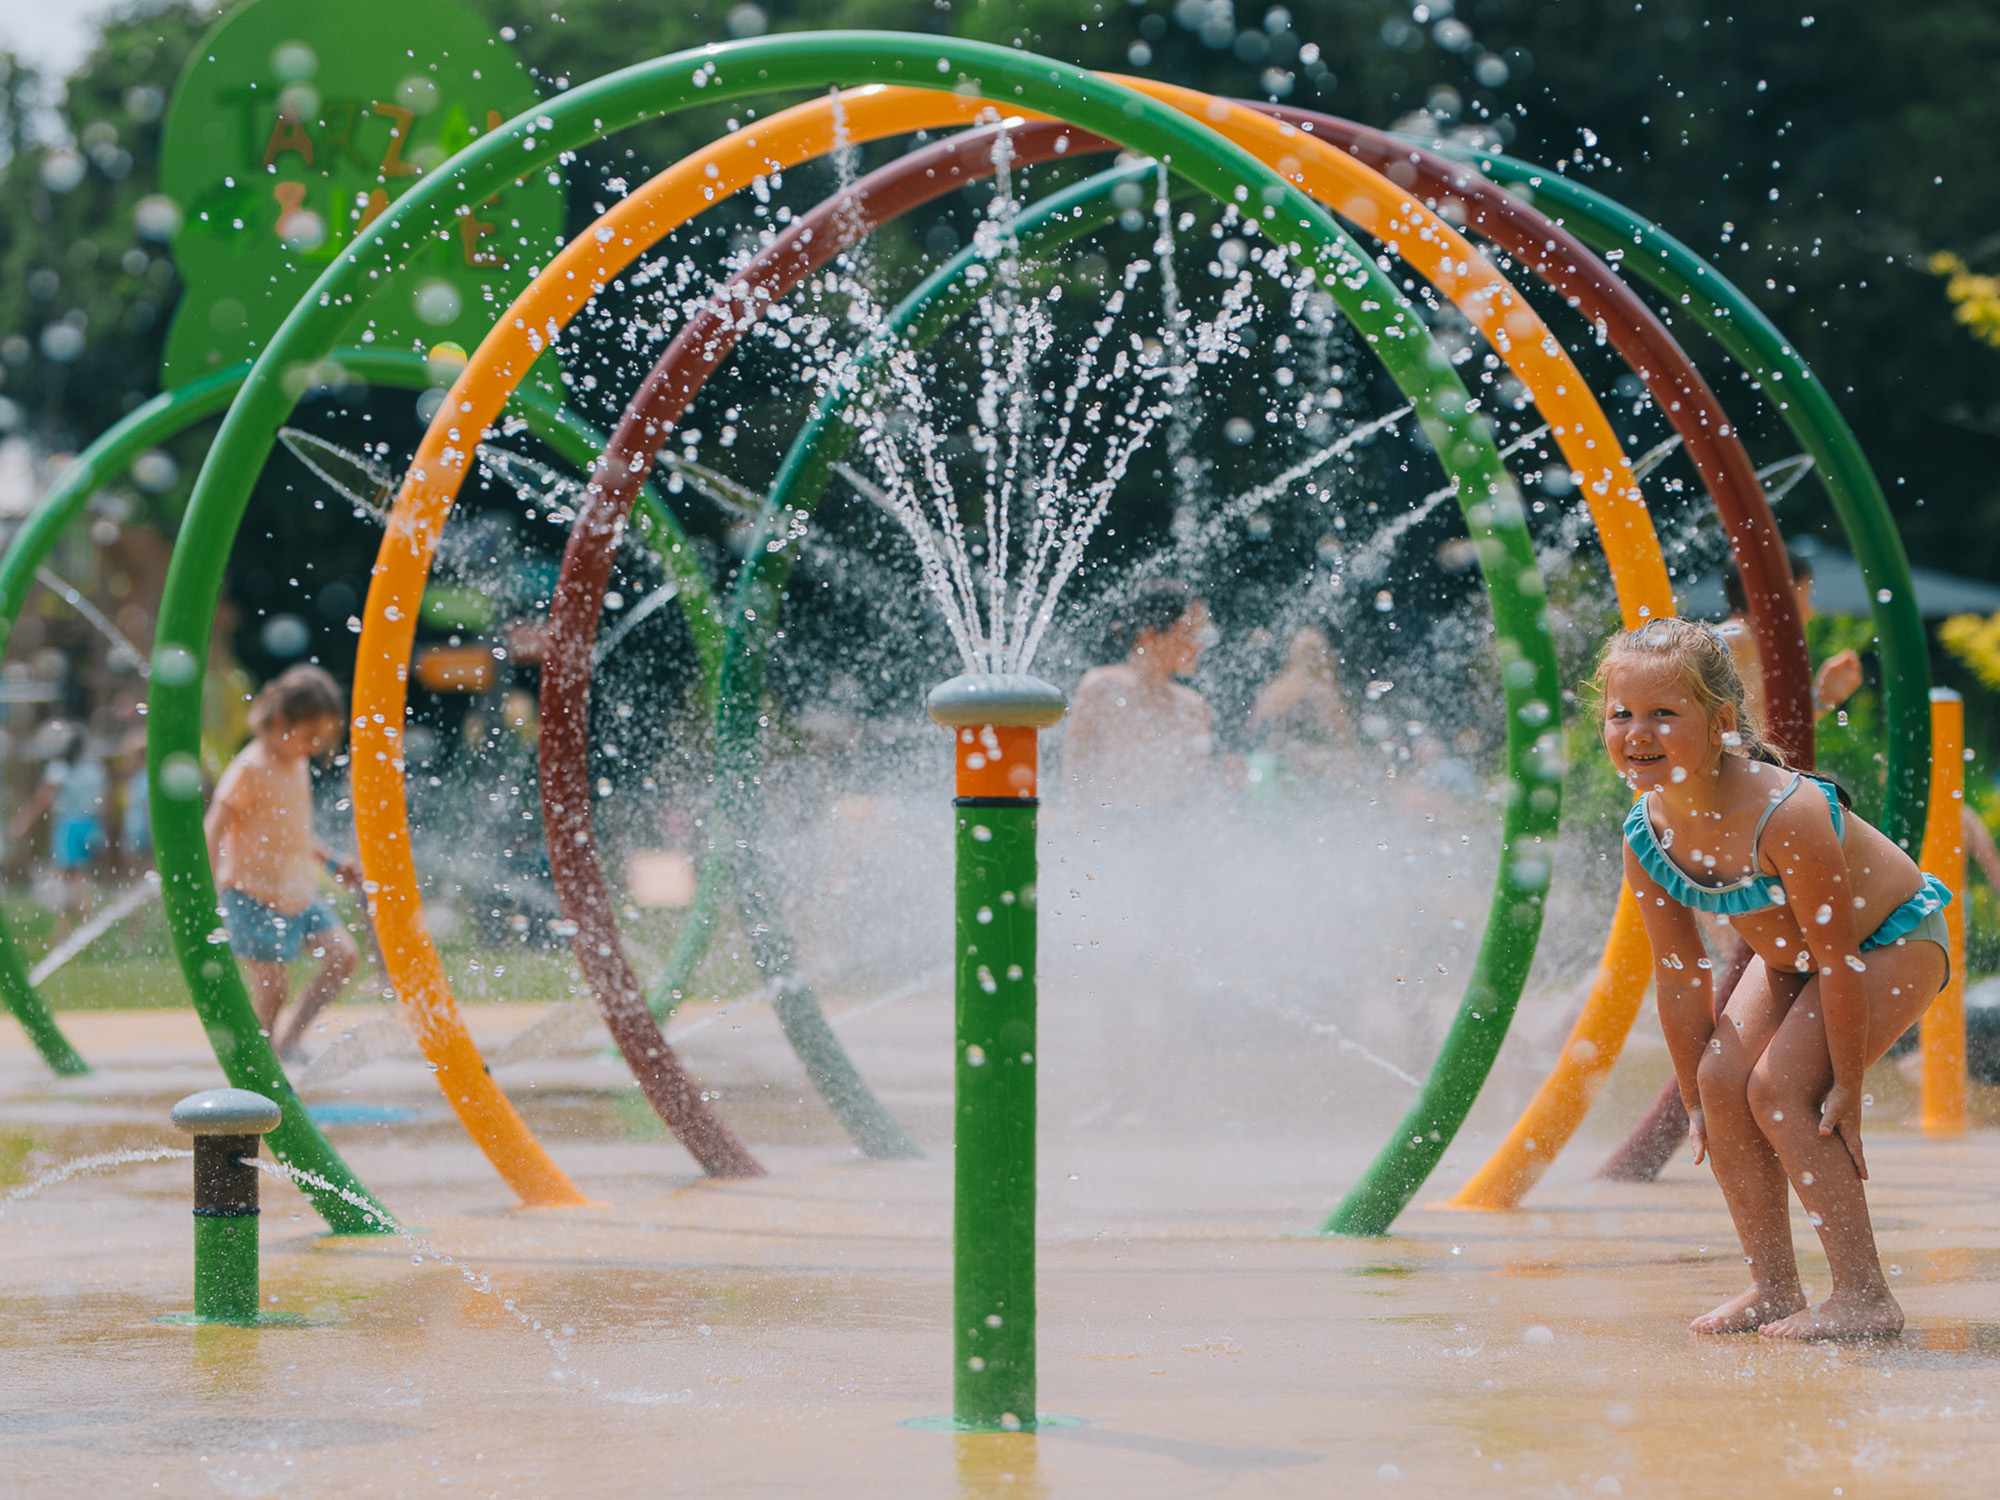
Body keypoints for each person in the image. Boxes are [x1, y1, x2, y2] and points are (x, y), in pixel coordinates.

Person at [1601, 617, 1952, 1338]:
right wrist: (1694, 1094)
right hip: (1794, 962)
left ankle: (1865, 1294)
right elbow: (1678, 974)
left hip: (1889, 943)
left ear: (1721, 721)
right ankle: (1774, 1285)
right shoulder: (1649, 830)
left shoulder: (1785, 811)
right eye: (1621, 713)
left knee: (1782, 1089)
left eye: (1664, 713)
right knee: (1725, 1085)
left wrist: (1847, 1084)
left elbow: (1839, 959)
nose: (1638, 730)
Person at [205, 665, 362, 1059]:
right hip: (252, 893)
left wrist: (329, 862)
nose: (314, 746)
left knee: (343, 958)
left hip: (298, 893)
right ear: (280, 722)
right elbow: (216, 824)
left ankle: (287, 1043)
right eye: (310, 736)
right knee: (273, 988)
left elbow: (292, 830)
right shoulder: (250, 767)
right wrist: (207, 888)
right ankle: (256, 1064)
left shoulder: (294, 762)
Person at [1063, 578, 1219, 809]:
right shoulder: (1102, 687)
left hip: (1170, 829)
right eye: (1189, 632)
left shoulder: (1193, 705)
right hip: (1110, 828)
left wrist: (1226, 787)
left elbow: (1200, 791)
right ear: (1150, 634)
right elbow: (1076, 773)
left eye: (1201, 634)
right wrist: (1086, 832)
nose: (1198, 645)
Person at [1717, 547, 1862, 732]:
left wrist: (1822, 699)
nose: (1810, 612)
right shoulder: (1739, 636)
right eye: (1804, 598)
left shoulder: (1758, 648)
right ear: (1773, 597)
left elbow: (1777, 732)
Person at [10, 724, 108, 940]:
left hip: (69, 825)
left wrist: (23, 821)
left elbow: (43, 797)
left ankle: (63, 931)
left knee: (65, 877)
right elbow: (103, 803)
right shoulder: (95, 769)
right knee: (81, 876)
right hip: (90, 824)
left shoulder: (60, 768)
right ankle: (85, 925)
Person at [1246, 624, 1355, 782]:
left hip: (1263, 768)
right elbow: (1345, 744)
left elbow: (1252, 729)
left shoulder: (1276, 688)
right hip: (1290, 770)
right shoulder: (1322, 692)